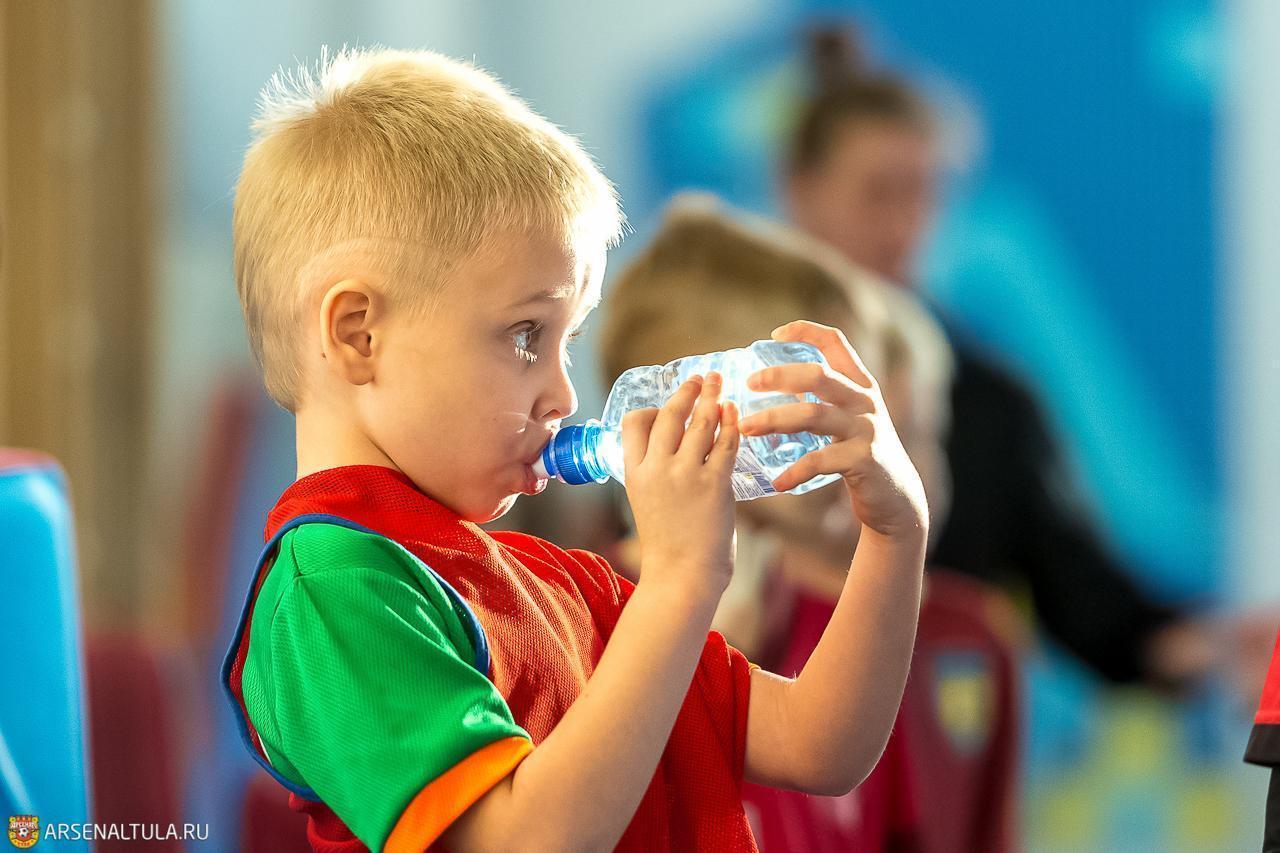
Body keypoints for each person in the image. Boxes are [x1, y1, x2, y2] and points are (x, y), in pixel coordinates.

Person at [219, 46, 929, 852]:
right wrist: (679, 583)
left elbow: (819, 742)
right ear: (359, 334)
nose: (564, 395)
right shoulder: (335, 589)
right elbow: (520, 842)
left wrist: (894, 533)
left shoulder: (558, 583)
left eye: (569, 340)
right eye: (527, 334)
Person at [780, 25, 1260, 691]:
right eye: (877, 191)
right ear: (799, 191)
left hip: (929, 743)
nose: (901, 225)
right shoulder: (733, 382)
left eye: (922, 192)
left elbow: (1093, 609)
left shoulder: (989, 400)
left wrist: (1219, 644)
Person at [599, 196, 1020, 852]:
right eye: (808, 403)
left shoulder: (856, 629)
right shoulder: (580, 610)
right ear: (697, 401)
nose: (844, 434)